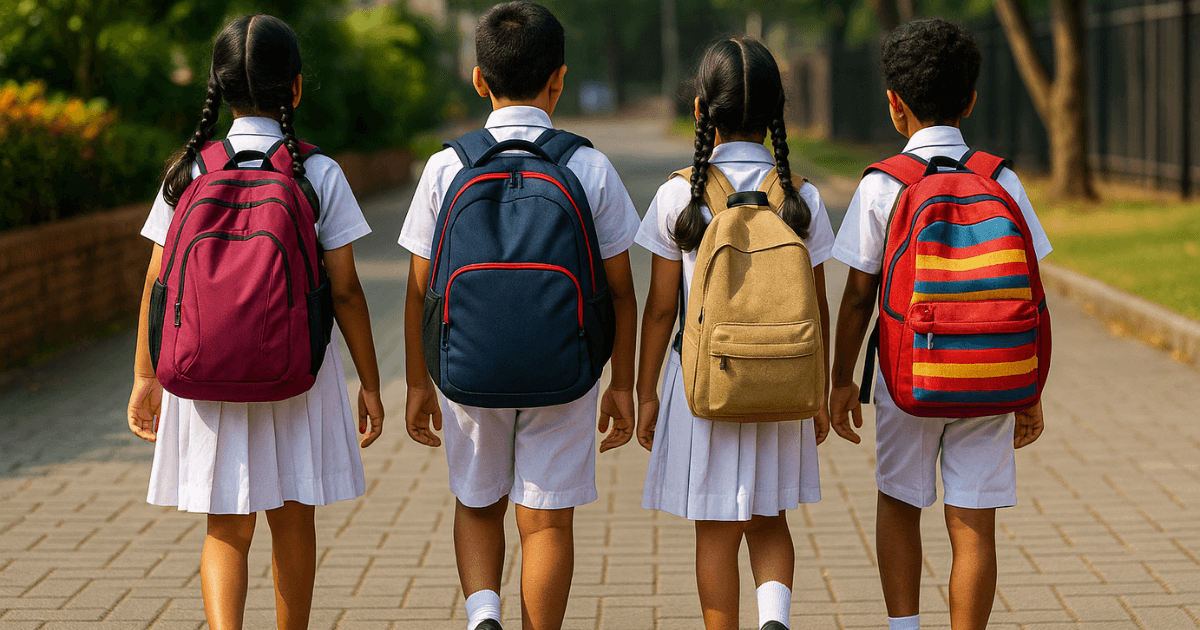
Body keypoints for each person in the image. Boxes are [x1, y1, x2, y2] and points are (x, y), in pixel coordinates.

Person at [126, 15, 384, 630]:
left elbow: (157, 284)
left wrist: (144, 376)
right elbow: (346, 291)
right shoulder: (316, 172)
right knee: (293, 520)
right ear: (296, 87)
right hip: (298, 371)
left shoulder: (189, 171)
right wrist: (371, 384)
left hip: (204, 369)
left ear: (217, 88)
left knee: (226, 528)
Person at [398, 3, 640, 629]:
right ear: (559, 79)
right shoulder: (588, 166)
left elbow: (419, 291)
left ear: (479, 78)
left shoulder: (446, 166)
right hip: (566, 369)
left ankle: (484, 615)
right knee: (547, 520)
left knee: (478, 503)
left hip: (466, 366)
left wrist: (418, 382)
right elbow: (621, 292)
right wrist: (624, 384)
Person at [827, 18, 1050, 630]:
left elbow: (857, 297)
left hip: (907, 375)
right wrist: (1029, 388)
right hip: (991, 373)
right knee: (974, 521)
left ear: (894, 104)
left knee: (900, 503)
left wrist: (841, 380)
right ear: (971, 100)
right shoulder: (1001, 179)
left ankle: (905, 626)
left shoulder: (882, 184)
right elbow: (1030, 289)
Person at [635, 37, 835, 630]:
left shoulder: (679, 195)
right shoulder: (800, 197)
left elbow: (659, 310)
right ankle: (775, 621)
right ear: (777, 112)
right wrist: (820, 392)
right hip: (784, 382)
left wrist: (644, 392)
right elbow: (817, 307)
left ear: (700, 110)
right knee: (771, 521)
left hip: (702, 387)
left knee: (716, 532)